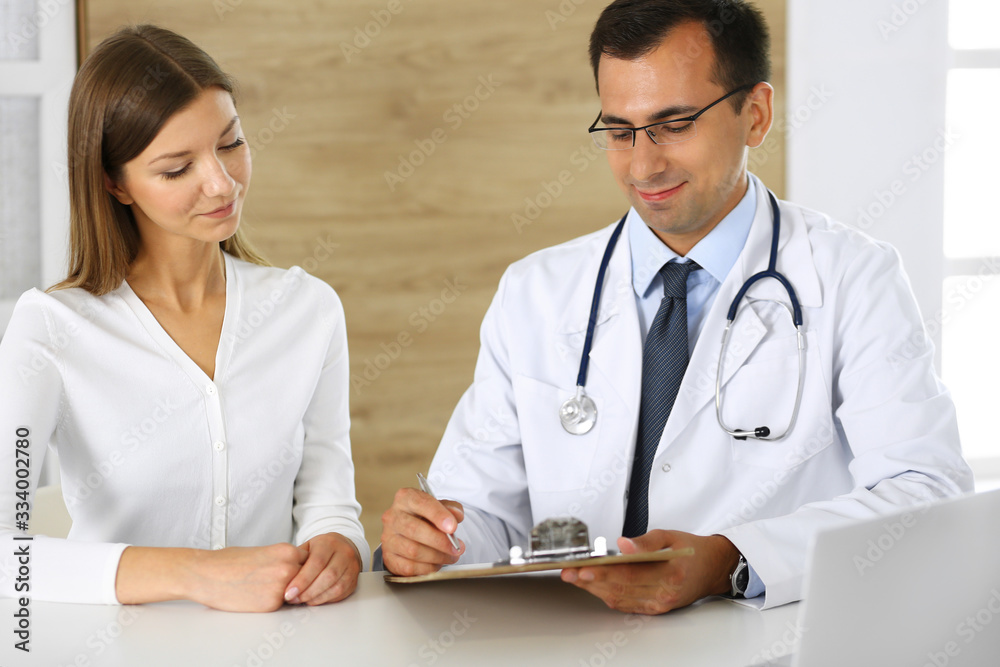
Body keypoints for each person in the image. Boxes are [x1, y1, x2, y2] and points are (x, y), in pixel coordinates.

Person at [380, 0, 973, 613]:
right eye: (619, 130)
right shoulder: (535, 292)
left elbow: (926, 491)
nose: (643, 164)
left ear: (756, 115)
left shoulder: (853, 277)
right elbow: (483, 516)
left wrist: (732, 559)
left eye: (676, 123)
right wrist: (437, 540)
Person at [0, 25, 367, 610]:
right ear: (113, 184)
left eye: (231, 143)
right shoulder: (51, 329)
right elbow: (6, 555)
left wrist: (338, 542)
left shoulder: (307, 310)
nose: (222, 183)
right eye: (177, 169)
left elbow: (327, 497)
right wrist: (197, 574)